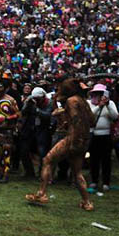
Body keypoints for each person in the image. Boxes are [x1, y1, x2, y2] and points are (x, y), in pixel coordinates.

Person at [26, 78, 94, 211]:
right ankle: (87, 202)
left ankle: (42, 193)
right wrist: (63, 113)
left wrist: (73, 135)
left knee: (47, 160)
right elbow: (92, 121)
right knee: (77, 172)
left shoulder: (71, 100)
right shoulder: (83, 102)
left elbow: (75, 118)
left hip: (73, 139)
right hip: (83, 140)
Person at [88, 83, 119, 191]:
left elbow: (115, 116)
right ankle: (94, 181)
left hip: (106, 135)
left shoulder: (110, 104)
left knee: (106, 159)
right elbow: (89, 116)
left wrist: (107, 105)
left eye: (100, 94)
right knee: (93, 159)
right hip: (94, 134)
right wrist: (98, 107)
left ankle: (106, 182)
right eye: (96, 94)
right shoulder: (90, 103)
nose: (98, 96)